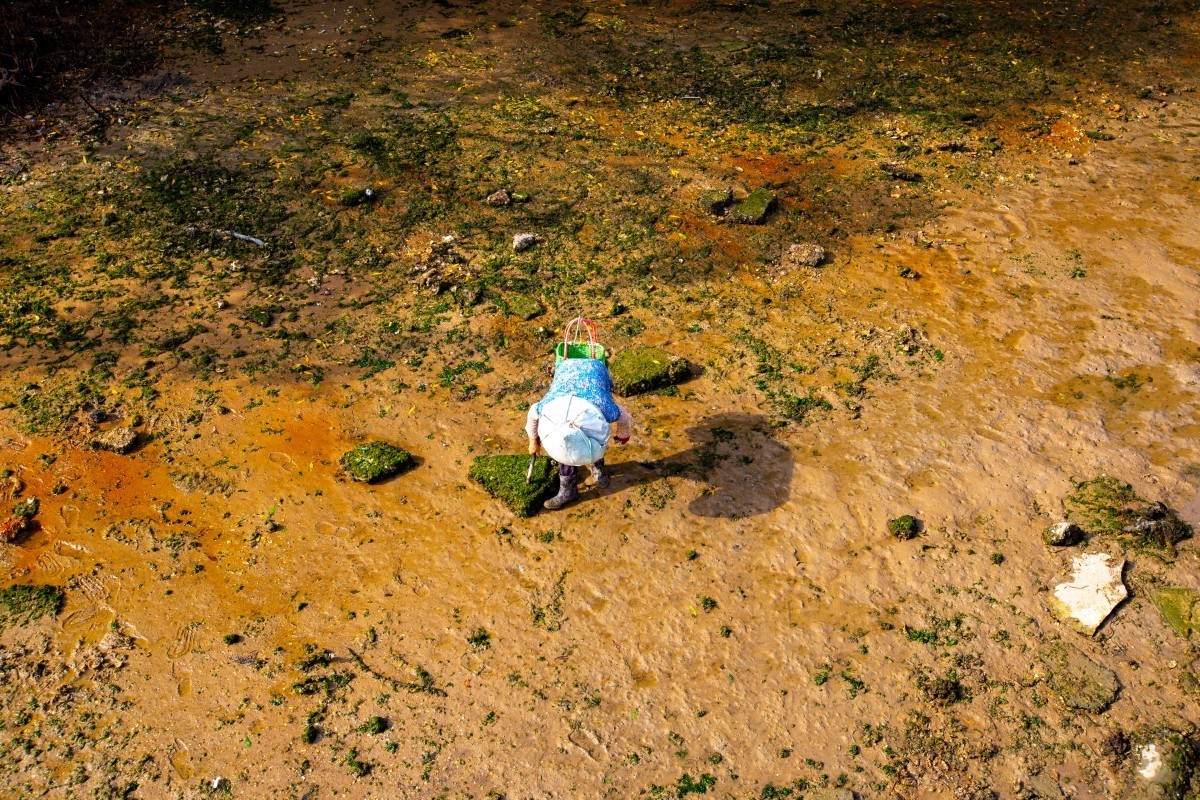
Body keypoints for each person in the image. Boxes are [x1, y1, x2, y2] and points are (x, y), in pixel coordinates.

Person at [526, 356, 632, 510]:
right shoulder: (547, 407)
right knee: (564, 445)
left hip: (595, 371)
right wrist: (533, 441)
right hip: (566, 371)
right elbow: (532, 413)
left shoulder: (602, 407)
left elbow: (622, 414)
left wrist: (623, 435)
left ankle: (598, 469)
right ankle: (568, 490)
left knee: (596, 438)